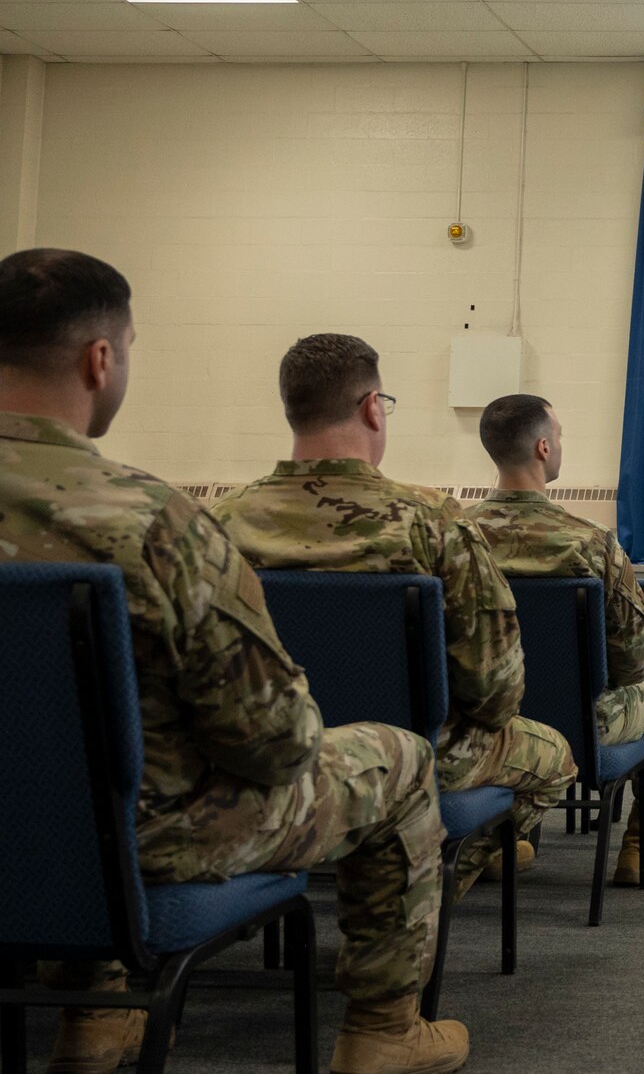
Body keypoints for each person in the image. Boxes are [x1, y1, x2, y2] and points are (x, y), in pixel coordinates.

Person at [0, 250, 465, 1074]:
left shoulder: (202, 512)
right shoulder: (151, 521)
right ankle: (383, 1033)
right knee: (400, 757)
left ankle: (95, 1019)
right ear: (99, 359)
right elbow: (273, 745)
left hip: (27, 831)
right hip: (147, 840)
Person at [211, 334, 575, 890]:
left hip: (264, 759)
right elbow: (495, 686)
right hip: (424, 754)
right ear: (372, 409)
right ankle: (447, 871)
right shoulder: (431, 520)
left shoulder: (219, 523)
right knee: (555, 754)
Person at [466, 393, 644, 886]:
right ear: (541, 447)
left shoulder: (455, 534)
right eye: (558, 436)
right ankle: (639, 847)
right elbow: (629, 660)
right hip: (584, 722)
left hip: (479, 724)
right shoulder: (589, 541)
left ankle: (495, 842)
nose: (560, 445)